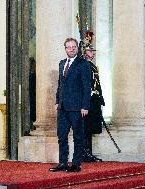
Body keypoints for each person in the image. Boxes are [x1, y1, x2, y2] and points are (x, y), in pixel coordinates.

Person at [49, 38, 91, 172]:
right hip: (62, 107)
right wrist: (57, 101)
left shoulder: (83, 64)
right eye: (68, 47)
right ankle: (62, 163)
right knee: (62, 136)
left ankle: (76, 164)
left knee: (78, 137)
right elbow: (60, 84)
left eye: (73, 47)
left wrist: (85, 106)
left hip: (77, 107)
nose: (71, 49)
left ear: (77, 48)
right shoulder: (62, 63)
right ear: (65, 49)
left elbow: (86, 86)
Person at [82, 43, 105, 162]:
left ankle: (89, 152)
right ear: (84, 52)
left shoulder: (92, 66)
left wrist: (100, 98)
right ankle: (85, 153)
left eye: (93, 51)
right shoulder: (83, 65)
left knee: (90, 128)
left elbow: (97, 84)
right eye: (91, 51)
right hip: (87, 101)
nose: (93, 53)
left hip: (94, 100)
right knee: (86, 128)